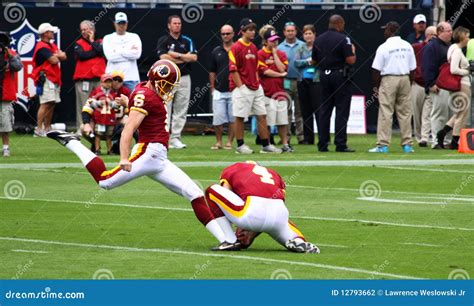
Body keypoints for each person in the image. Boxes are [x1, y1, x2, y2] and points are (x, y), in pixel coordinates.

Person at [47, 60, 238, 251]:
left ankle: (226, 240)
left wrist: (128, 101)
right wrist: (123, 157)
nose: (170, 90)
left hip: (159, 158)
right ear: (157, 81)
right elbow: (129, 128)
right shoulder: (144, 95)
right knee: (105, 181)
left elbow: (142, 102)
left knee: (194, 193)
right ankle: (72, 142)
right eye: (168, 85)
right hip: (147, 153)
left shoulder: (143, 90)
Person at [205, 161, 320, 253]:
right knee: (284, 226)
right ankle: (297, 240)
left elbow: (225, 197)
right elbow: (275, 203)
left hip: (252, 213)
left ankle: (230, 240)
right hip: (279, 216)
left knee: (211, 190)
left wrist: (242, 229)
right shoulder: (274, 174)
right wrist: (252, 232)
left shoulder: (234, 168)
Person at [228, 18, 281, 154]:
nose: (253, 33)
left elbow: (256, 69)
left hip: (255, 87)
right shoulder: (235, 48)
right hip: (241, 88)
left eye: (254, 30)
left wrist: (257, 84)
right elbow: (233, 70)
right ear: (243, 31)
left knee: (262, 115)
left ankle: (266, 145)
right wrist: (241, 88)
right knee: (240, 116)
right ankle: (240, 146)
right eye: (250, 30)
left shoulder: (252, 47)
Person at [370, 22, 416, 153]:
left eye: (385, 30)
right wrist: (409, 81)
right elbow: (413, 68)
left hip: (389, 79)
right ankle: (407, 144)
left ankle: (383, 145)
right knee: (405, 112)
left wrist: (376, 86)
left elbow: (376, 70)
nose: (384, 32)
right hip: (405, 77)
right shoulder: (407, 46)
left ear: (390, 31)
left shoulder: (384, 47)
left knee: (386, 111)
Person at [312, 15, 356, 152]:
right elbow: (350, 60)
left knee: (325, 110)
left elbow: (314, 61)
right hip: (339, 76)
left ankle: (322, 144)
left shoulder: (318, 39)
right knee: (342, 110)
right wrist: (353, 52)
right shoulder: (344, 39)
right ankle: (340, 144)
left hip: (324, 75)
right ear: (339, 24)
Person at [156, 15, 198, 149]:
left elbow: (194, 57)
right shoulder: (163, 40)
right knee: (165, 109)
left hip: (184, 77)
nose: (177, 26)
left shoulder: (187, 40)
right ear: (169, 25)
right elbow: (163, 57)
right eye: (174, 23)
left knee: (181, 109)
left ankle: (175, 138)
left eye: (179, 23)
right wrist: (183, 58)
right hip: (168, 77)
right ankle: (165, 138)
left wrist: (176, 55)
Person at [436, 27, 471, 150]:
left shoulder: (453, 49)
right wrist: (467, 71)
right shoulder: (457, 50)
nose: (468, 39)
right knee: (462, 113)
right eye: (467, 36)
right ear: (461, 36)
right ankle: (455, 141)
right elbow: (454, 69)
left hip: (459, 84)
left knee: (460, 112)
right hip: (462, 84)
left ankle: (442, 133)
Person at [258, 28, 292, 152]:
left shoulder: (281, 54)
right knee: (267, 121)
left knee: (282, 121)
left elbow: (283, 69)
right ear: (265, 41)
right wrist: (279, 75)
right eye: (272, 41)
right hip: (266, 92)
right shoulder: (260, 54)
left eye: (276, 40)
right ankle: (266, 144)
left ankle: (285, 144)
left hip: (280, 92)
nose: (275, 43)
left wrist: (275, 54)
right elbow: (265, 71)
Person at [32, 22, 66, 137]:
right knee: (45, 103)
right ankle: (38, 128)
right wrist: (58, 55)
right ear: (45, 33)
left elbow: (64, 56)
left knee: (51, 103)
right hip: (46, 78)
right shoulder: (42, 47)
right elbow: (54, 60)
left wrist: (58, 55)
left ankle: (47, 128)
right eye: (51, 31)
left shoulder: (51, 45)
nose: (53, 33)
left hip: (54, 78)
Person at [422, 22, 452, 149]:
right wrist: (430, 84)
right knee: (438, 114)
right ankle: (435, 141)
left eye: (451, 30)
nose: (451, 33)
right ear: (439, 32)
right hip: (438, 86)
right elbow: (427, 67)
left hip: (449, 86)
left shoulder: (449, 46)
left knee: (448, 114)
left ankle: (445, 141)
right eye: (448, 31)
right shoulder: (432, 46)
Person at [73, 20, 106, 130]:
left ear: (92, 30)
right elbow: (82, 55)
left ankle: (98, 128)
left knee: (100, 103)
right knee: (83, 105)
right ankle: (81, 128)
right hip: (84, 79)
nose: (83, 31)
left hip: (99, 79)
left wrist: (92, 41)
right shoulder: (78, 43)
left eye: (85, 29)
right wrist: (95, 52)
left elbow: (102, 51)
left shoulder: (101, 41)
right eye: (82, 29)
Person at [278, 21, 305, 145]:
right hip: (285, 81)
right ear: (284, 32)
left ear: (296, 31)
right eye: (288, 30)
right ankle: (286, 138)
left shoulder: (303, 45)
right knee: (286, 110)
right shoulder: (279, 47)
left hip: (300, 81)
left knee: (300, 111)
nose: (290, 33)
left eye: (292, 30)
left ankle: (301, 137)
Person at [209, 24, 235, 150]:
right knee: (218, 119)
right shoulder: (216, 51)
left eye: (228, 33)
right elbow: (212, 71)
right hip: (219, 90)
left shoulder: (238, 49)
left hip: (235, 90)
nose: (226, 36)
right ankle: (219, 142)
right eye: (223, 34)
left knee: (233, 118)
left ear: (233, 34)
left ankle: (229, 142)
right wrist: (212, 88)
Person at [103, 12, 142, 92]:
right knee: (111, 102)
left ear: (127, 23)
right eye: (119, 23)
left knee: (133, 102)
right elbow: (110, 57)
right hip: (112, 78)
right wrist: (128, 50)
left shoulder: (134, 36)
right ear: (114, 24)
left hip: (131, 78)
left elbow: (137, 55)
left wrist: (117, 50)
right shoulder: (108, 38)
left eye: (123, 23)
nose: (121, 25)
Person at [411, 26, 436, 147]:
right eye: (434, 35)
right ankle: (418, 136)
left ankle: (424, 137)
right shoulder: (416, 47)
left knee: (427, 113)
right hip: (418, 84)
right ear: (429, 35)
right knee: (417, 112)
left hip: (430, 84)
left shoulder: (436, 49)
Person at [295, 24, 320, 145]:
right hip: (302, 81)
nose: (308, 36)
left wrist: (315, 62)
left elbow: (322, 61)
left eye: (310, 33)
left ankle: (323, 137)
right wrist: (308, 61)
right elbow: (296, 63)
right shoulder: (300, 48)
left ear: (314, 34)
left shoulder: (319, 46)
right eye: (306, 34)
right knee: (305, 111)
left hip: (316, 81)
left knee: (319, 110)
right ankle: (308, 139)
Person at [0, 32, 23, 157]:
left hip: (5, 94)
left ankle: (6, 148)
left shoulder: (11, 54)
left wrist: (10, 56)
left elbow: (18, 66)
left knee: (5, 124)